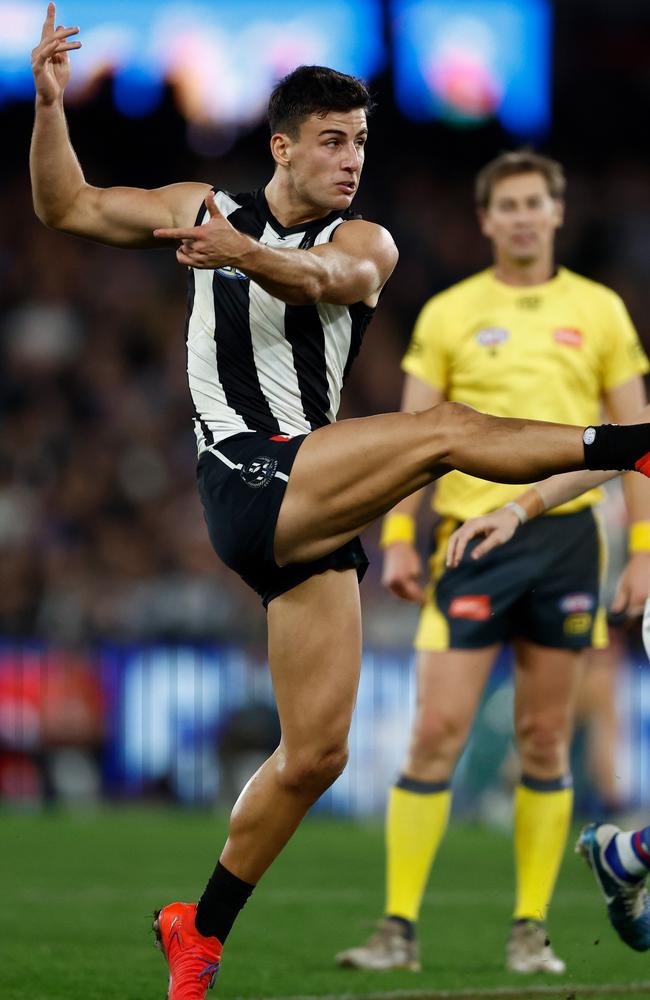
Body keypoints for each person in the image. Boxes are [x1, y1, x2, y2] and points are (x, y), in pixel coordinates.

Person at [30, 8, 650, 997]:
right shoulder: (202, 201)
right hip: (245, 472)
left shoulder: (364, 239)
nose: (351, 157)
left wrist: (241, 256)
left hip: (308, 494)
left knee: (314, 752)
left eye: (359, 141)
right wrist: (51, 108)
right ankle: (631, 448)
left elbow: (325, 276)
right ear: (281, 145)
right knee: (441, 428)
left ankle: (199, 926)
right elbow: (68, 207)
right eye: (330, 141)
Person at [335, 151, 650, 976]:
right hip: (471, 540)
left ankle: (530, 929)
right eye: (504, 204)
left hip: (570, 538)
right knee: (435, 731)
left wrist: (643, 553)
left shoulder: (601, 310)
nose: (519, 216)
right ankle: (397, 927)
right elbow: (411, 438)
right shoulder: (447, 313)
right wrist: (399, 537)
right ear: (485, 220)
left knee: (546, 737)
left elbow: (638, 440)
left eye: (533, 203)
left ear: (555, 213)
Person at [446, 466, 650, 954]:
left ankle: (627, 853)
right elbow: (612, 450)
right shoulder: (617, 489)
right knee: (558, 720)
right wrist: (518, 511)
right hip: (584, 602)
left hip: (604, 614)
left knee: (582, 716)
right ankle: (511, 791)